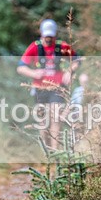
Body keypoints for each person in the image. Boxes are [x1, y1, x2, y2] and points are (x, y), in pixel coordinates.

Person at [16, 19, 79, 150]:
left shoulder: (62, 46)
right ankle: (47, 151)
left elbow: (77, 60)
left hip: (58, 88)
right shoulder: (35, 47)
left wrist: (69, 72)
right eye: (46, 37)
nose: (48, 39)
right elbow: (21, 68)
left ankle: (56, 152)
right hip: (40, 89)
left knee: (56, 118)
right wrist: (34, 73)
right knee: (43, 123)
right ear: (41, 34)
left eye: (51, 36)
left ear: (55, 35)